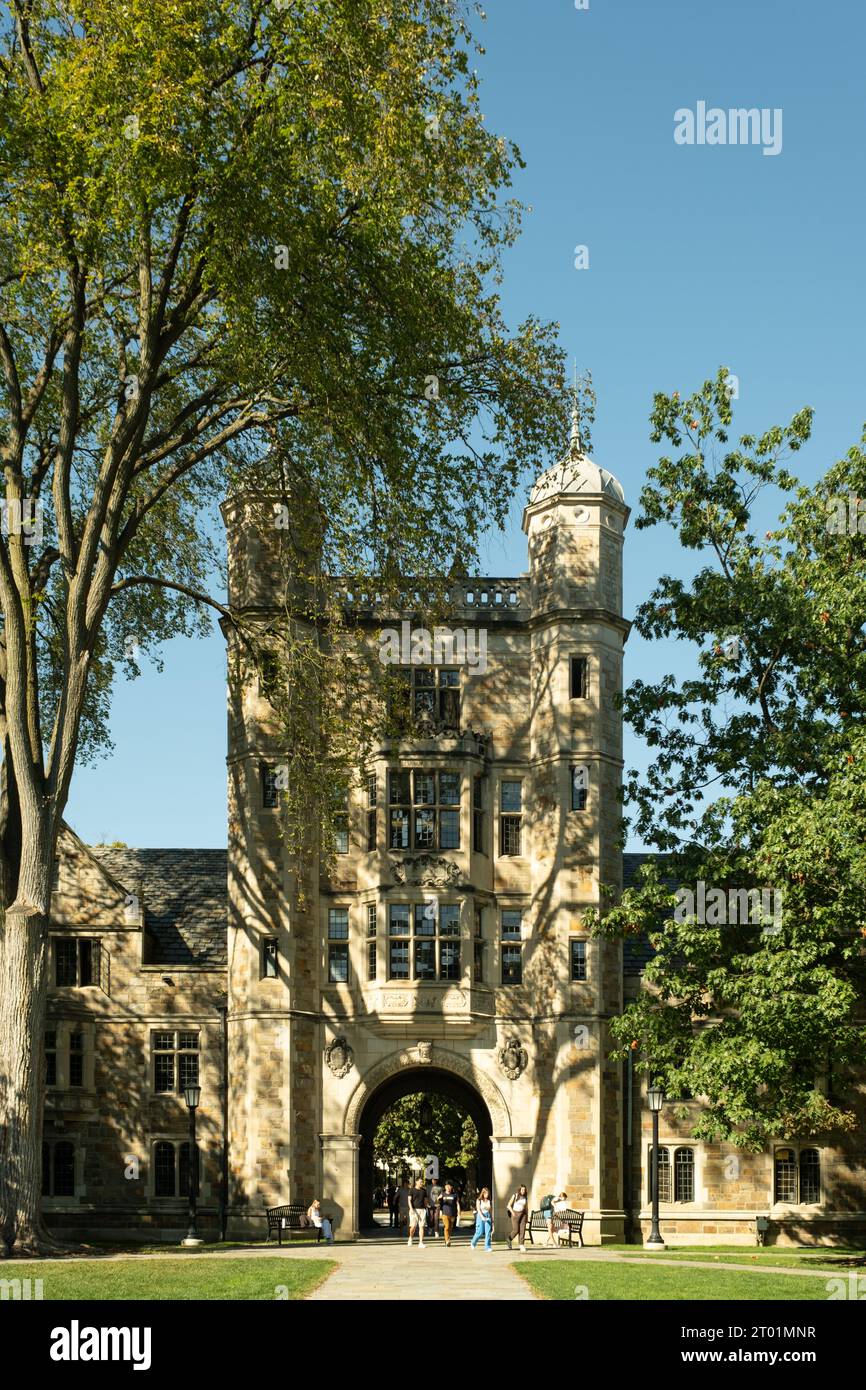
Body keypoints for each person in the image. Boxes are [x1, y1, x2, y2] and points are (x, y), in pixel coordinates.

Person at [470, 1186, 493, 1251]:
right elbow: (479, 1210)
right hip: (480, 1216)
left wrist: (492, 1219)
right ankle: (473, 1243)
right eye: (485, 1193)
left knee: (488, 1232)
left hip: (488, 1216)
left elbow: (491, 1211)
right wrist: (482, 1217)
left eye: (488, 1193)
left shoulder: (489, 1201)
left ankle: (487, 1247)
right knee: (479, 1232)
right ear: (482, 1193)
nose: (487, 1195)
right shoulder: (479, 1200)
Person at [506, 1184, 529, 1252]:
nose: (523, 1191)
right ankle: (509, 1238)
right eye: (522, 1189)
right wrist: (513, 1213)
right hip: (515, 1214)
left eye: (524, 1190)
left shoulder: (525, 1197)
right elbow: (508, 1206)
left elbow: (526, 1207)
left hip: (523, 1214)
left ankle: (521, 1245)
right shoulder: (515, 1195)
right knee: (516, 1230)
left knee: (522, 1230)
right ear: (519, 1190)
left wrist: (527, 1216)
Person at [408, 1178, 428, 1248]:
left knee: (421, 1226)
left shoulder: (424, 1191)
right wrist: (411, 1209)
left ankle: (421, 1242)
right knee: (413, 1226)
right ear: (416, 1182)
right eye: (420, 1182)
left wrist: (426, 1207)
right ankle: (410, 1238)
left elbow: (425, 1200)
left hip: (422, 1210)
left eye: (422, 1182)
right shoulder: (412, 1190)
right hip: (414, 1210)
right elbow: (409, 1200)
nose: (421, 1183)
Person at [439, 1182, 461, 1247]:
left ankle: (447, 1239)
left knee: (450, 1228)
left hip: (453, 1214)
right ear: (445, 1187)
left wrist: (459, 1211)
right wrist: (438, 1198)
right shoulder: (442, 1194)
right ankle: (447, 1240)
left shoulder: (454, 1195)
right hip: (445, 1213)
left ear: (451, 1187)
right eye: (447, 1186)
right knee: (447, 1226)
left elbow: (457, 1203)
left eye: (450, 1186)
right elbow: (437, 1203)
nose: (448, 1188)